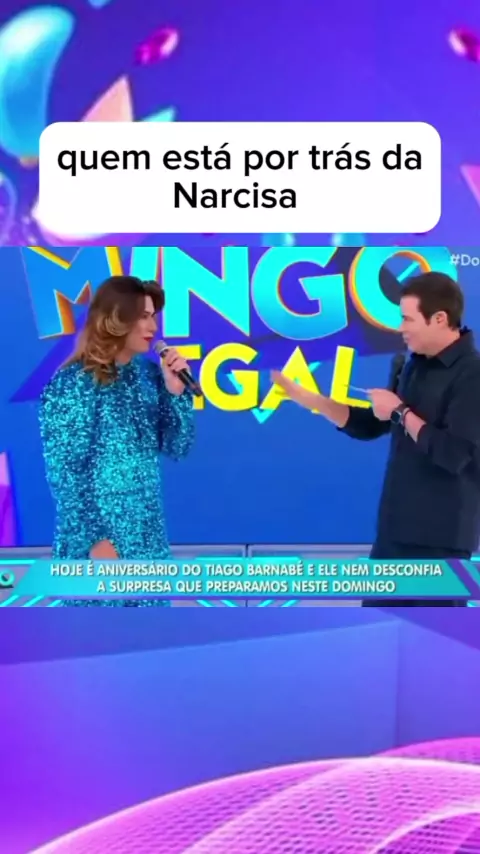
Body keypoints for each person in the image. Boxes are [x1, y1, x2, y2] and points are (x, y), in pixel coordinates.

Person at [272, 272, 480, 607]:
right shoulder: (414, 365)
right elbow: (373, 424)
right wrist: (312, 400)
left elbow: (454, 454)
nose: (401, 328)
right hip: (393, 537)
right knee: (378, 631)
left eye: (408, 319)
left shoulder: (472, 375)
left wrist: (399, 411)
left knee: (433, 637)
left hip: (440, 542)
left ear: (439, 319)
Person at [39, 275, 195, 607]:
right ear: (115, 319)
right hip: (98, 547)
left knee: (152, 637)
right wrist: (96, 540)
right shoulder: (73, 383)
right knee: (99, 636)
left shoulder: (149, 376)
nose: (152, 326)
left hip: (148, 545)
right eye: (143, 316)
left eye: (153, 316)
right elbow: (65, 474)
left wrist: (175, 393)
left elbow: (179, 446)